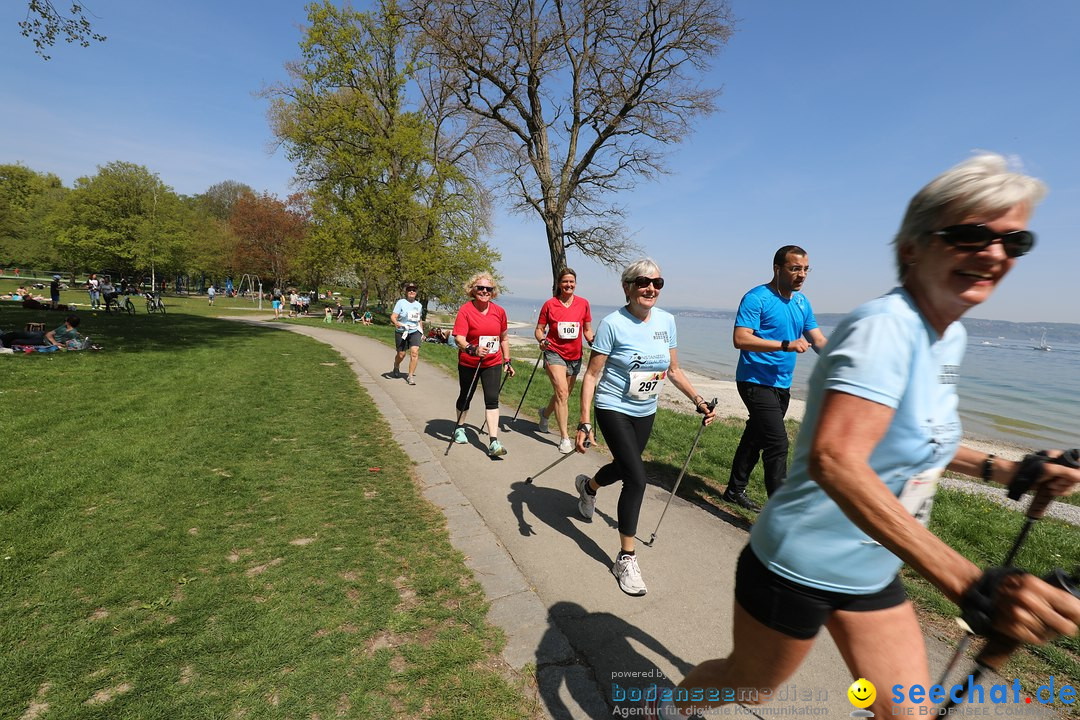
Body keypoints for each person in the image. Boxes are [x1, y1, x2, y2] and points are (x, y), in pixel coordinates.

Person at [648, 155, 1080, 720]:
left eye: (1014, 241)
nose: (995, 253)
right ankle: (668, 707)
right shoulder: (884, 327)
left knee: (905, 713)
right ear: (913, 249)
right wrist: (970, 583)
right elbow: (835, 460)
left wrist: (1011, 471)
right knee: (749, 688)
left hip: (873, 568)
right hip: (798, 564)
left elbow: (922, 442)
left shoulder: (948, 337)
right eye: (972, 234)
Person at [575, 259, 716, 596]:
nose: (651, 288)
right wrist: (583, 420)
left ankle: (589, 488)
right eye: (643, 282)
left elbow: (675, 369)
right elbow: (592, 375)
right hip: (613, 407)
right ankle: (625, 557)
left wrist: (698, 400)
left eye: (657, 283)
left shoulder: (666, 321)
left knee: (626, 469)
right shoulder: (612, 324)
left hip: (645, 408)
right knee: (637, 478)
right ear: (628, 287)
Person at [723, 245, 828, 512]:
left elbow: (817, 340)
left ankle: (734, 490)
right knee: (777, 443)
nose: (801, 275)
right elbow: (741, 338)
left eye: (805, 269)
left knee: (755, 437)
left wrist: (843, 360)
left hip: (782, 383)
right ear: (777, 269)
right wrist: (785, 345)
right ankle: (780, 516)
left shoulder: (802, 303)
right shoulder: (757, 298)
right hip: (754, 380)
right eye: (795, 269)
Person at [451, 273, 515, 457]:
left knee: (492, 399)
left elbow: (504, 338)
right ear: (472, 290)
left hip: (492, 362)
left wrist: (507, 361)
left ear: (493, 293)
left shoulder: (499, 312)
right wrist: (472, 349)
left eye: (489, 289)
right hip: (469, 361)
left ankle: (494, 441)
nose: (485, 291)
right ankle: (460, 427)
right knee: (466, 395)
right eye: (480, 288)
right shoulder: (465, 310)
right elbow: (459, 338)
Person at [534, 268, 595, 454]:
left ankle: (545, 414)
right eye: (565, 282)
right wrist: (542, 340)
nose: (569, 285)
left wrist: (593, 341)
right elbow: (539, 329)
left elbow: (587, 330)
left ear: (575, 284)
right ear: (559, 284)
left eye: (572, 282)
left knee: (564, 394)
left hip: (574, 356)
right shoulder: (550, 304)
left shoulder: (583, 304)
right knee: (561, 392)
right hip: (554, 352)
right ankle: (564, 438)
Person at [390, 283, 425, 385]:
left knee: (414, 352)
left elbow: (419, 320)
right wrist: (396, 323)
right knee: (401, 354)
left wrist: (422, 332)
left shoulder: (419, 305)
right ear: (406, 292)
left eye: (414, 290)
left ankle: (410, 376)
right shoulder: (401, 303)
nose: (411, 292)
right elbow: (393, 316)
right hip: (402, 331)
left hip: (415, 331)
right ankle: (396, 366)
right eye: (409, 290)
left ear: (416, 293)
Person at [1, 315, 83, 349]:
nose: (65, 321)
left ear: (68, 322)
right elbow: (49, 334)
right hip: (42, 335)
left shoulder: (72, 333)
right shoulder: (64, 327)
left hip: (43, 341)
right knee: (15, 334)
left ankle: (4, 344)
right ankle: (2, 338)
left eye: (66, 320)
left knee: (16, 341)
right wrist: (54, 342)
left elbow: (71, 344)